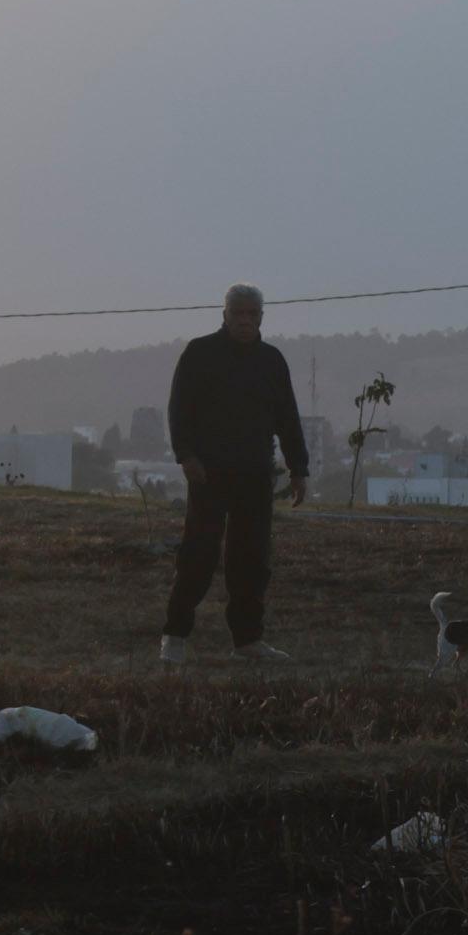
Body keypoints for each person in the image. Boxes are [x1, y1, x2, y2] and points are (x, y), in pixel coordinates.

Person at [159, 284, 311, 664]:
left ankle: (247, 641)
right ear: (224, 314)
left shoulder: (272, 361)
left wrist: (299, 469)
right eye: (237, 313)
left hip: (256, 475)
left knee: (251, 561)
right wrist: (186, 456)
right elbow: (179, 410)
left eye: (251, 314)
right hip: (208, 474)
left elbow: (288, 419)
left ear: (261, 317)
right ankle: (174, 635)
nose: (244, 320)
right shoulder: (200, 353)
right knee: (198, 555)